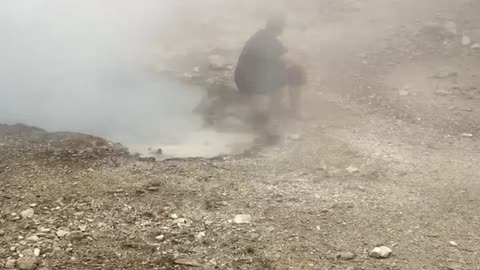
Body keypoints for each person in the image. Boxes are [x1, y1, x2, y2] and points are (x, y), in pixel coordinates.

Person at [234, 13, 305, 133]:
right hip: (255, 83)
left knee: (262, 116)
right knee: (296, 71)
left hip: (245, 79)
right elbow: (292, 61)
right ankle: (294, 111)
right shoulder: (270, 41)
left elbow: (277, 58)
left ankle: (271, 106)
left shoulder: (260, 36)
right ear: (281, 28)